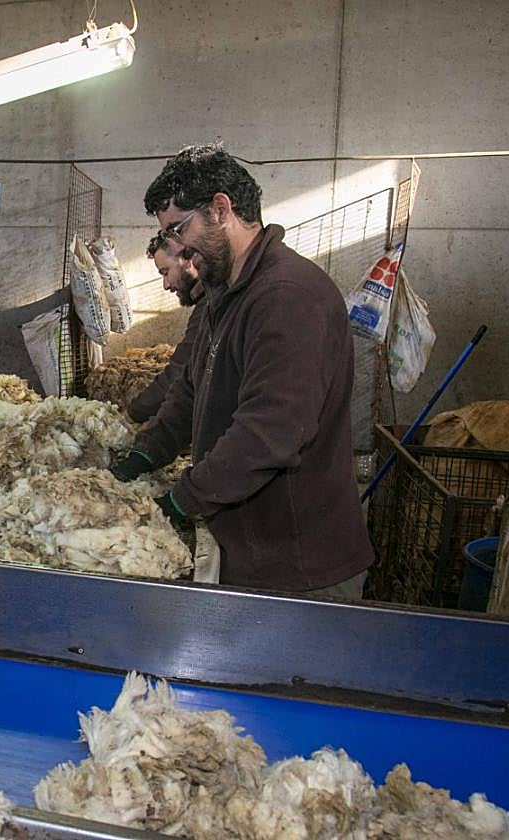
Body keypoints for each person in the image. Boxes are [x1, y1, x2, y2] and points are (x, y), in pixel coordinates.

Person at [111, 144, 373, 598]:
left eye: (178, 228)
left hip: (299, 568)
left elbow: (269, 432)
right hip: (253, 550)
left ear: (220, 209)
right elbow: (190, 391)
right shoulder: (224, 295)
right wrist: (143, 456)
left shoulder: (286, 297)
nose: (176, 246)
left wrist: (180, 500)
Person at [126, 230, 207, 423]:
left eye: (165, 272)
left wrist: (133, 414)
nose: (166, 285)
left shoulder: (209, 307)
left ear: (188, 260)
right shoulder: (207, 303)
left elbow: (180, 371)